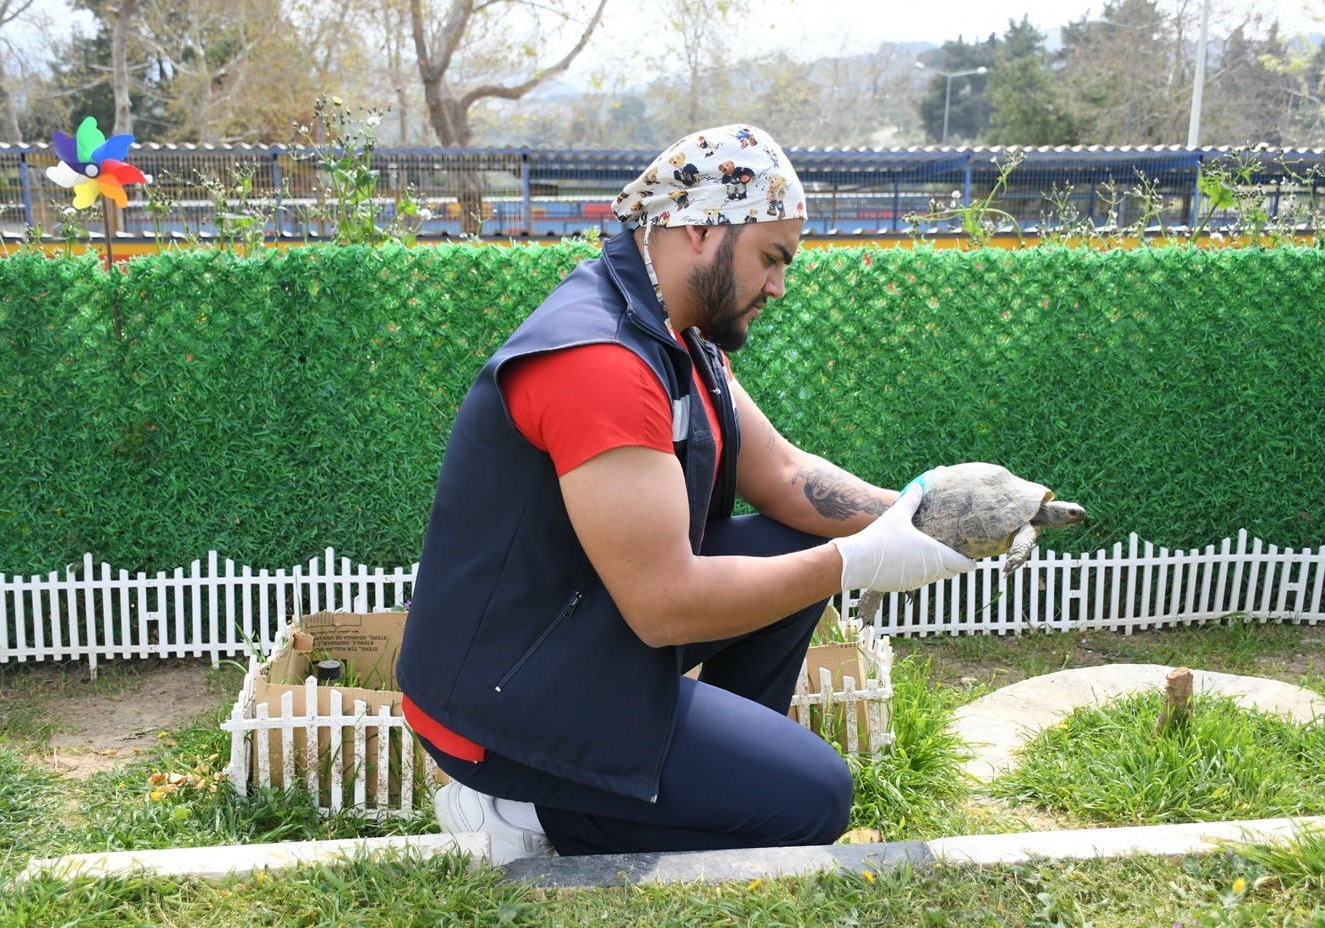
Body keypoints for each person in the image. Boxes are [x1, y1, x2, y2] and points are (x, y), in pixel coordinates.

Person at [396, 124, 973, 861]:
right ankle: (518, 811)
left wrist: (932, 515)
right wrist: (856, 563)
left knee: (798, 536)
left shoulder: (673, 331)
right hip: (503, 698)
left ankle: (701, 778)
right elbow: (665, 606)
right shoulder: (600, 359)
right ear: (701, 227)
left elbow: (788, 478)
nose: (779, 286)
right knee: (814, 801)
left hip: (572, 632)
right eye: (772, 258)